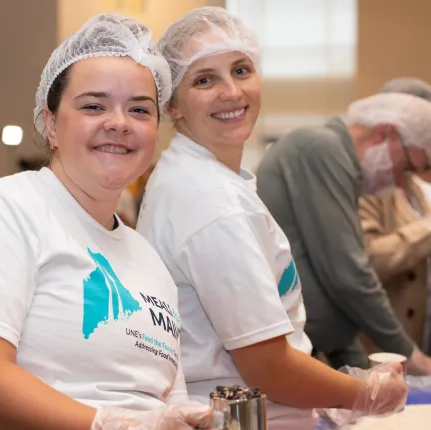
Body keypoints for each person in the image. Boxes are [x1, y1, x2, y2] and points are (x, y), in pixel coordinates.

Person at [0, 13, 216, 430]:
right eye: (94, 105)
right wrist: (111, 424)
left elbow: (164, 395)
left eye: (140, 110)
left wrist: (177, 417)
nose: (119, 123)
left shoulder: (148, 259)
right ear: (51, 123)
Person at [136, 7, 408, 429]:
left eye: (241, 70)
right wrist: (366, 394)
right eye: (204, 79)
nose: (231, 92)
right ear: (171, 104)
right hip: (246, 416)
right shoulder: (210, 201)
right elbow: (267, 366)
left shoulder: (202, 179)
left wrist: (325, 394)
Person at [255, 84, 431, 375]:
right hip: (292, 346)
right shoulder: (322, 149)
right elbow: (349, 273)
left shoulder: (331, 155)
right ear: (384, 133)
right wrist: (409, 353)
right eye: (408, 167)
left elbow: (332, 278)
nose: (401, 183)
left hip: (314, 343)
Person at [359, 78, 431, 352]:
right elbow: (368, 260)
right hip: (378, 352)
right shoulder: (367, 187)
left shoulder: (414, 186)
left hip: (416, 345)